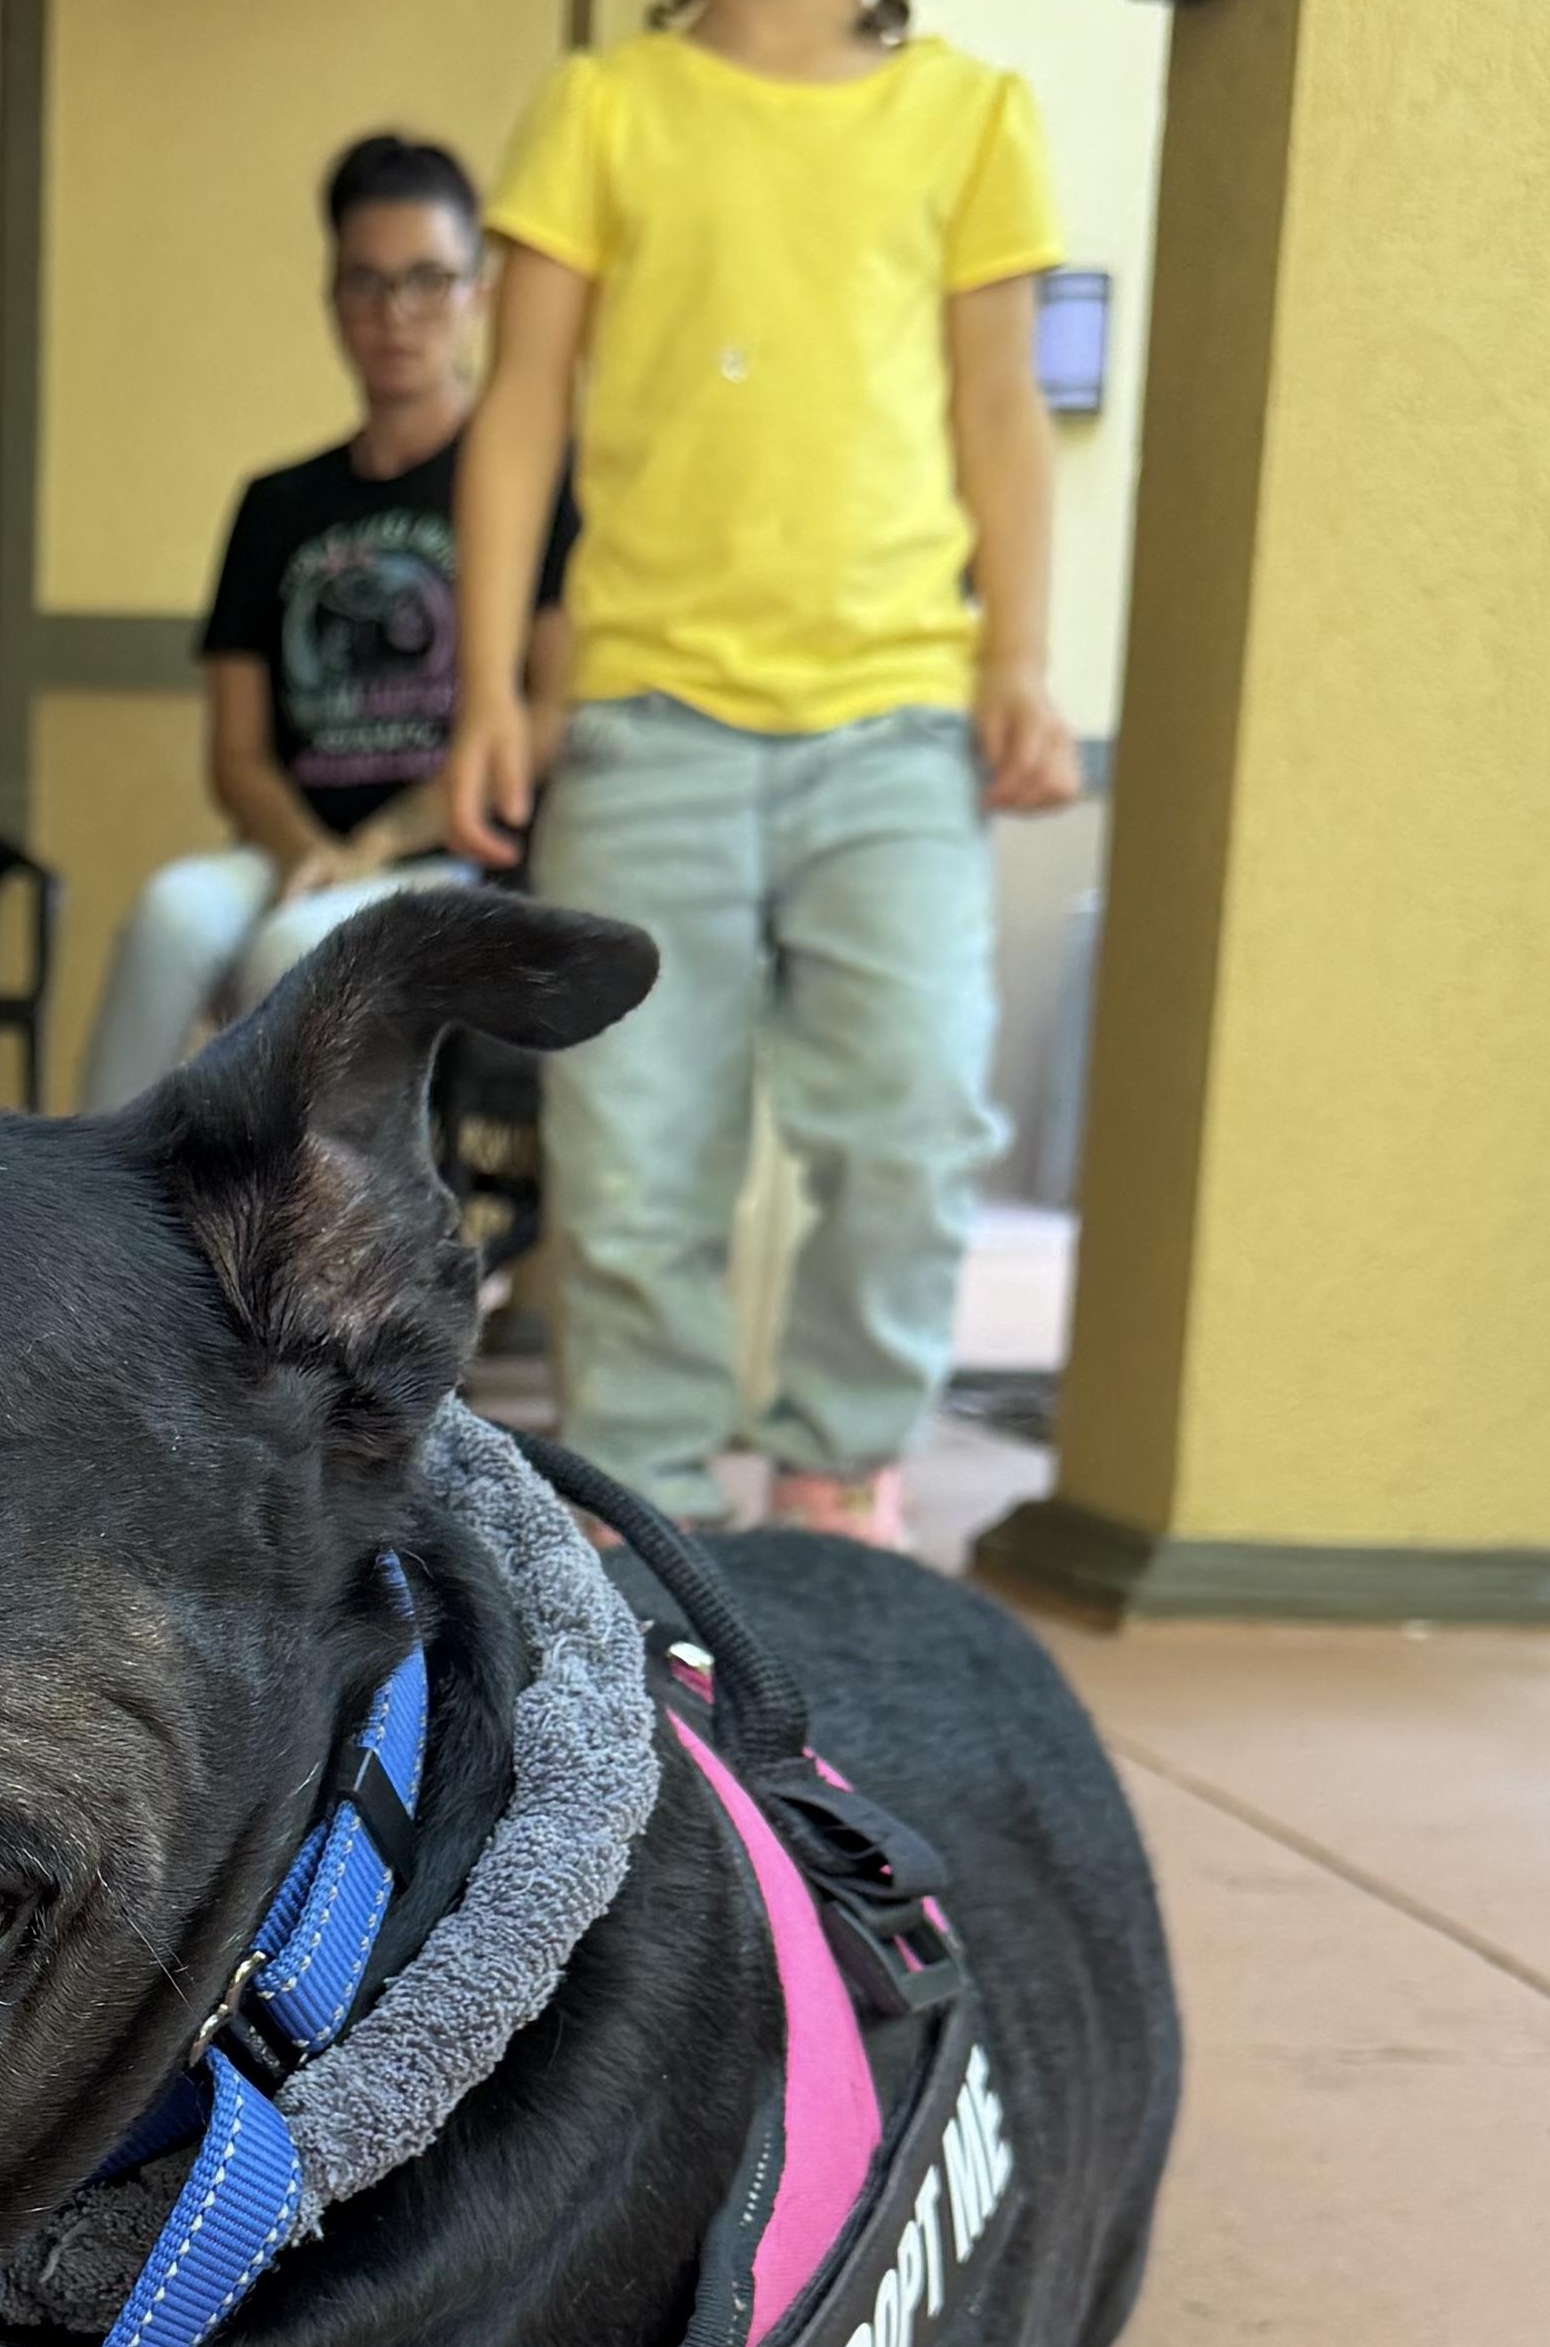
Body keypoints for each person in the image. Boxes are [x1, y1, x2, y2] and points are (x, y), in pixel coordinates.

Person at [447, 0, 1077, 1549]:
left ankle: (837, 1478)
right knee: (635, 1155)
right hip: (645, 721)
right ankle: (648, 1513)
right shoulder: (604, 109)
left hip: (899, 723)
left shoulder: (972, 116)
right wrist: (485, 687)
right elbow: (523, 405)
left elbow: (1004, 406)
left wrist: (1018, 662)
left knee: (913, 1118)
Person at [75, 138, 574, 1113]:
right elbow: (236, 753)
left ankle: (294, 1249)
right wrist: (306, 847)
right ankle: (76, 1224)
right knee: (169, 916)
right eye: (368, 284)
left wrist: (377, 847)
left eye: (429, 281)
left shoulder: (527, 486)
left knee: (289, 950)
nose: (396, 316)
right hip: (299, 846)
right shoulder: (277, 504)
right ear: (332, 300)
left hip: (459, 870)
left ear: (479, 291)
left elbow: (551, 714)